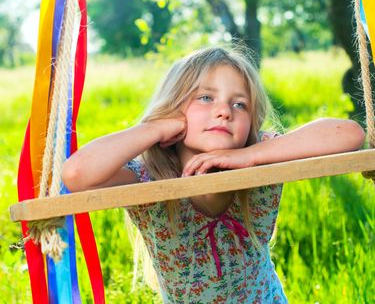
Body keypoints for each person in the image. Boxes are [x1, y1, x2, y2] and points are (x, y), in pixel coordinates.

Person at [62, 47, 365, 303]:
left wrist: (247, 155)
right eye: (206, 98)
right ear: (172, 108)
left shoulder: (261, 158)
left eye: (239, 104)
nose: (224, 111)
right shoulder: (148, 177)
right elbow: (77, 173)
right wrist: (154, 128)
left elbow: (348, 133)